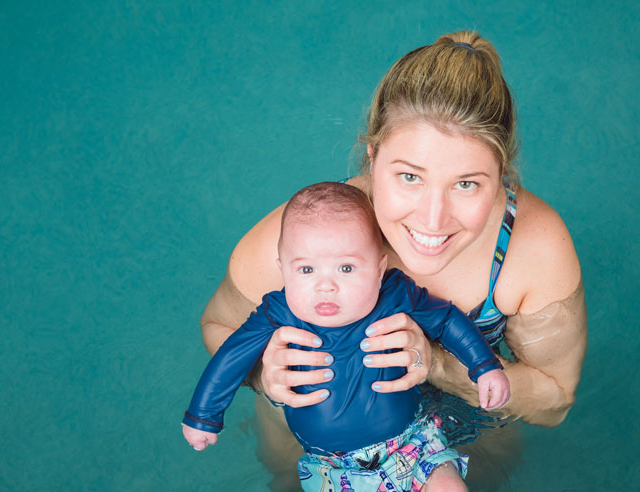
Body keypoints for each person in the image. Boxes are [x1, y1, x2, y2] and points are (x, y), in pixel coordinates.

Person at [199, 30, 587, 491]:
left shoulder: (532, 248)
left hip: (466, 424)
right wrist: (264, 372)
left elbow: (555, 401)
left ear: (502, 175)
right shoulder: (306, 240)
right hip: (317, 434)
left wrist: (441, 367)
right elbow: (218, 327)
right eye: (409, 176)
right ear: (372, 156)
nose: (432, 219)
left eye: (467, 184)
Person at [184, 182, 510, 491]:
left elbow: (447, 320)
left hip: (414, 440)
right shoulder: (278, 313)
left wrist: (484, 366)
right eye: (307, 270)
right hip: (333, 467)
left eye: (347, 268)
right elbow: (231, 358)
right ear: (283, 269)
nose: (327, 285)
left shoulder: (394, 294)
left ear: (380, 268)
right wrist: (204, 415)